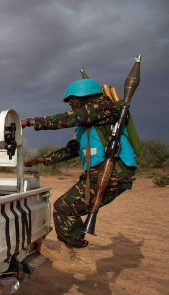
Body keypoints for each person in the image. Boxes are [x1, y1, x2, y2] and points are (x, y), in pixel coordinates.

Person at [22, 78, 137, 275]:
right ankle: (68, 254)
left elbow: (67, 119)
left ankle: (82, 259)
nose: (71, 105)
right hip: (99, 172)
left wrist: (31, 122)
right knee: (64, 208)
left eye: (71, 100)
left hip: (112, 172)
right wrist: (40, 160)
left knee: (64, 208)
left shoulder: (103, 107)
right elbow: (72, 149)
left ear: (82, 97)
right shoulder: (90, 123)